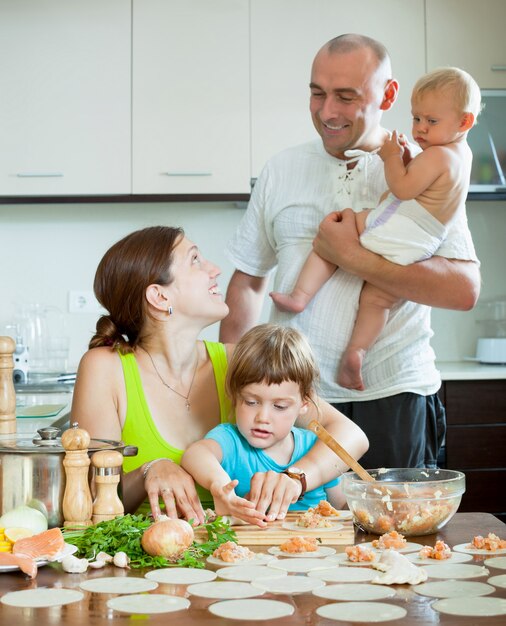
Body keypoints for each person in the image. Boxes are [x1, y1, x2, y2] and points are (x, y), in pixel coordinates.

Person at [220, 34, 481, 470]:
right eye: (317, 94)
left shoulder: (425, 167)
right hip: (290, 400)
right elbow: (248, 280)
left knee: (394, 535)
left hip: (392, 396)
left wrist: (353, 257)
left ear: (388, 93)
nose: (327, 112)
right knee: (290, 530)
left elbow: (463, 290)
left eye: (346, 96)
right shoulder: (281, 169)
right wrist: (231, 383)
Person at [71, 226, 368, 525]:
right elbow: (85, 495)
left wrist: (296, 478)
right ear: (159, 296)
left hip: (236, 552)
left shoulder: (234, 360)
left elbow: (350, 437)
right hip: (145, 553)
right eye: (196, 260)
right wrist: (150, 469)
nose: (214, 270)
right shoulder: (105, 368)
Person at [270, 67, 481, 391]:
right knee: (378, 299)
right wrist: (410, 156)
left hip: (398, 226)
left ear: (464, 122)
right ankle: (357, 352)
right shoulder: (460, 156)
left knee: (338, 228)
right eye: (416, 119)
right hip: (419, 245)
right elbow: (429, 187)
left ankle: (300, 296)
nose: (420, 129)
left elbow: (403, 187)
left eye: (431, 121)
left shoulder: (438, 155)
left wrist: (392, 156)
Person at [181, 324, 345, 526]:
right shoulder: (230, 441)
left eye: (279, 406)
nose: (263, 417)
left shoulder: (314, 446)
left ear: (304, 403)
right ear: (235, 395)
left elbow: (341, 506)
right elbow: (195, 454)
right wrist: (218, 485)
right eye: (251, 402)